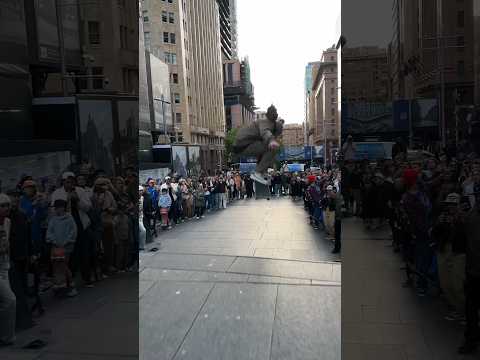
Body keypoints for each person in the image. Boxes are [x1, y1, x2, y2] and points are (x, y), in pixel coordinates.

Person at [233, 105, 282, 184]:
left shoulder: (269, 124)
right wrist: (271, 140)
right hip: (243, 144)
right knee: (273, 148)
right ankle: (257, 173)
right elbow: (265, 131)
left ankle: (261, 172)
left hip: (244, 144)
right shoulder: (265, 122)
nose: (277, 136)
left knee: (265, 150)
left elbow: (262, 154)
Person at [459, 185, 480, 354]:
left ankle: (471, 340)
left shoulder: (471, 215)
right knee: (471, 308)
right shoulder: (471, 216)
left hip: (473, 269)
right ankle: (471, 339)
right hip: (473, 270)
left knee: (471, 308)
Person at [46, 199, 78, 297]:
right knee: (56, 265)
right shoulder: (53, 219)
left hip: (66, 247)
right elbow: (49, 232)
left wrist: (66, 241)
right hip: (56, 246)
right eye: (55, 208)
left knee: (63, 265)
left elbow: (73, 232)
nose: (56, 210)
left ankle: (71, 285)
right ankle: (59, 284)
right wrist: (53, 240)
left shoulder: (69, 219)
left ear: (62, 208)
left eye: (57, 208)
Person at [0, 193, 15, 347]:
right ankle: (7, 337)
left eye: (7, 205)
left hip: (5, 266)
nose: (6, 208)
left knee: (5, 302)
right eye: (2, 206)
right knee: (10, 300)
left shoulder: (8, 222)